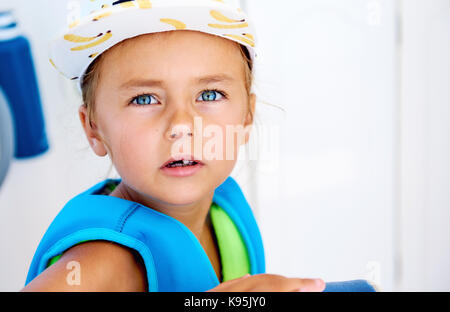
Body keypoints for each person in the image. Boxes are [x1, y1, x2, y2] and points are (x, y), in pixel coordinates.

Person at [21, 0, 326, 292]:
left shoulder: (225, 213)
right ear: (94, 130)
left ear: (247, 117)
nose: (181, 125)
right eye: (144, 99)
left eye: (209, 95)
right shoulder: (102, 263)